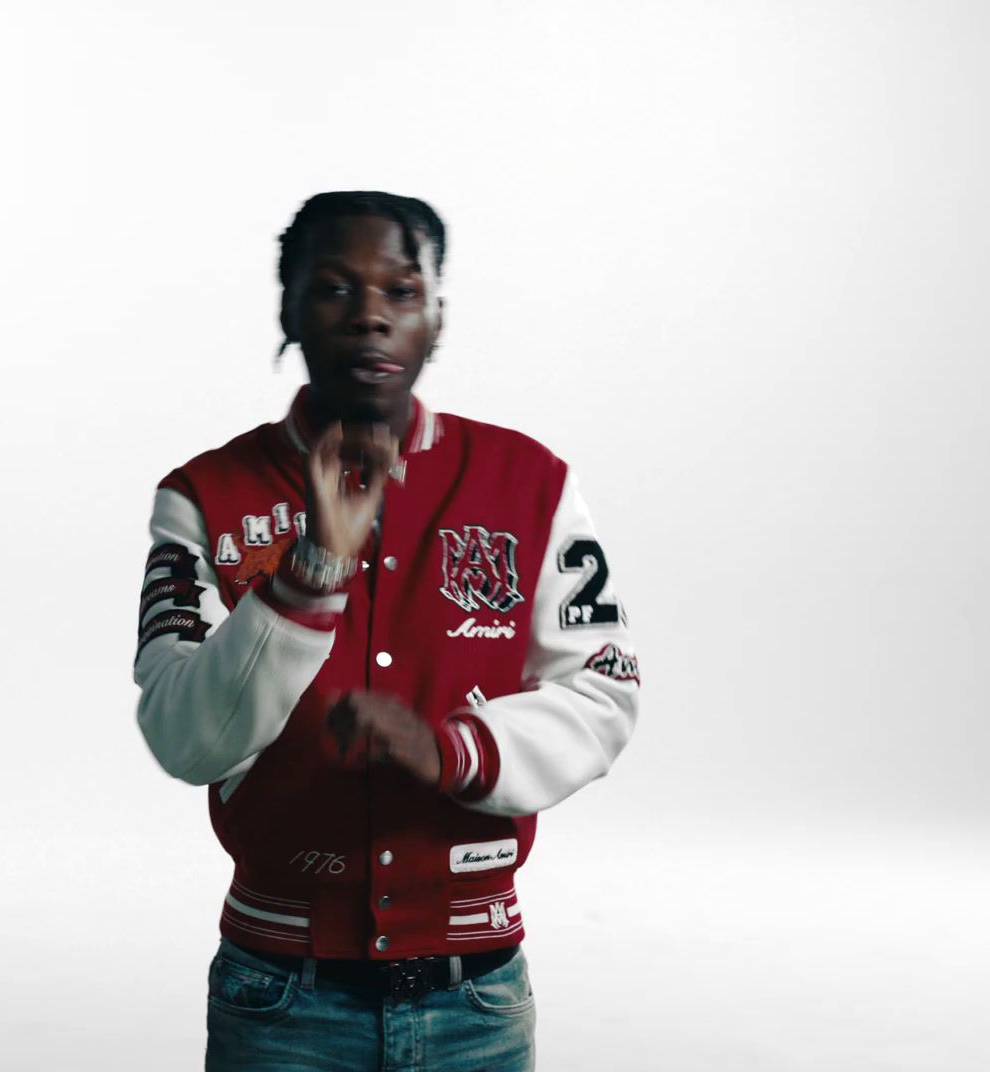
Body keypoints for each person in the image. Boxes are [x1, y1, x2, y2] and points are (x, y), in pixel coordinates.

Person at [134, 191, 640, 1072]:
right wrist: (310, 571)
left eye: (402, 291)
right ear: (287, 310)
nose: (371, 313)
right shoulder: (203, 496)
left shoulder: (529, 482)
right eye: (334, 288)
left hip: (476, 997)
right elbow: (184, 738)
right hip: (280, 999)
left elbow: (603, 689)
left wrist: (456, 750)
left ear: (438, 316)